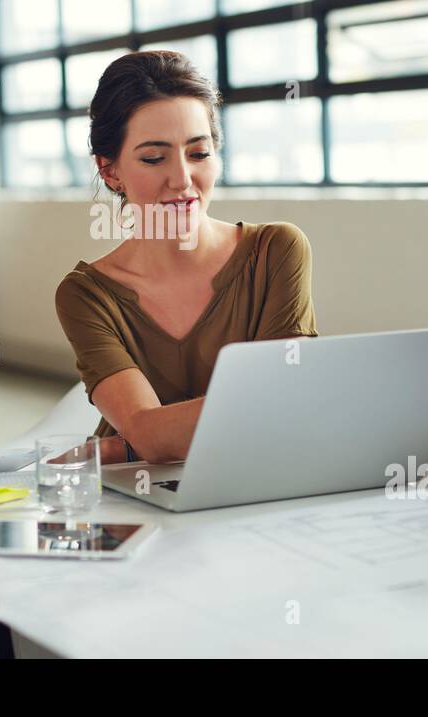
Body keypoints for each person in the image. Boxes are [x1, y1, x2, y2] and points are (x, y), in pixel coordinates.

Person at [55, 50, 317, 465]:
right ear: (110, 171)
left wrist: (127, 444)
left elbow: (285, 405)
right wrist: (145, 437)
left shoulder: (276, 251)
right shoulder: (86, 295)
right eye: (154, 158)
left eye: (198, 153)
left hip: (239, 473)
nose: (182, 180)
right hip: (133, 486)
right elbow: (153, 438)